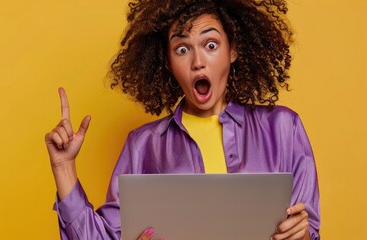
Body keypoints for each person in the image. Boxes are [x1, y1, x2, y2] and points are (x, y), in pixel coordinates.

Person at [45, 0, 320, 239]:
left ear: (232, 51)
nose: (198, 61)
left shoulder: (284, 129)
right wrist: (64, 167)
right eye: (182, 49)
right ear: (167, 61)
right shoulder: (143, 145)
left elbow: (310, 231)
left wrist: (303, 235)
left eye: (210, 45)